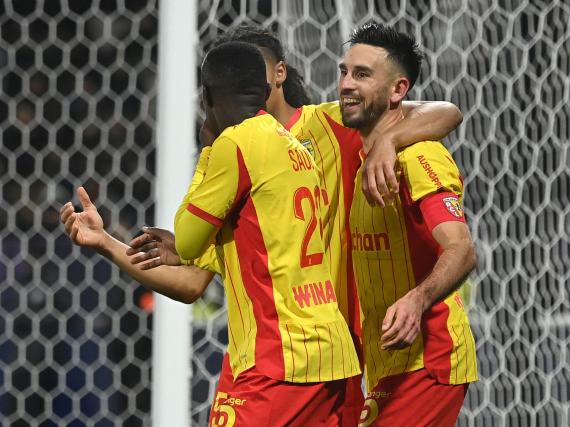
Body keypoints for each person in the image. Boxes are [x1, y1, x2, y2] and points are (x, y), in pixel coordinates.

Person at [127, 25, 465, 426]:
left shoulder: (330, 125)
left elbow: (445, 110)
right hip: (321, 353)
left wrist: (391, 141)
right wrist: (109, 243)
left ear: (279, 73)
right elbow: (194, 280)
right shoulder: (236, 152)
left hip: (321, 353)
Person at [338, 23, 478, 426]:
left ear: (398, 90)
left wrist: (418, 299)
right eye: (344, 71)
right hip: (386, 362)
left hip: (429, 360)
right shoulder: (355, 152)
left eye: (362, 75)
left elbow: (463, 250)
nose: (346, 84)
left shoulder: (419, 158)